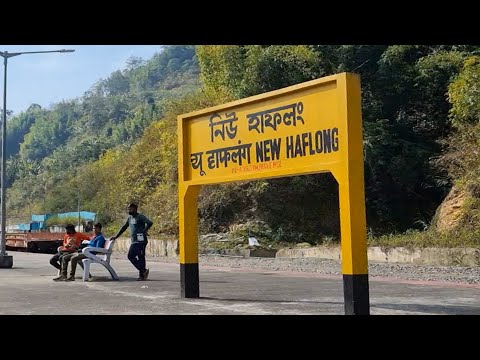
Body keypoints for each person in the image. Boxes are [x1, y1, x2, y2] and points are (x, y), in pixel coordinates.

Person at [110, 203, 153, 281]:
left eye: (131, 209)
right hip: (134, 240)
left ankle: (143, 272)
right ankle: (142, 274)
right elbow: (124, 227)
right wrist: (116, 236)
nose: (129, 210)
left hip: (141, 241)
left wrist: (144, 230)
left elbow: (150, 223)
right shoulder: (129, 218)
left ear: (135, 209)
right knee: (140, 257)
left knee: (132, 256)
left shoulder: (140, 217)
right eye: (128, 209)